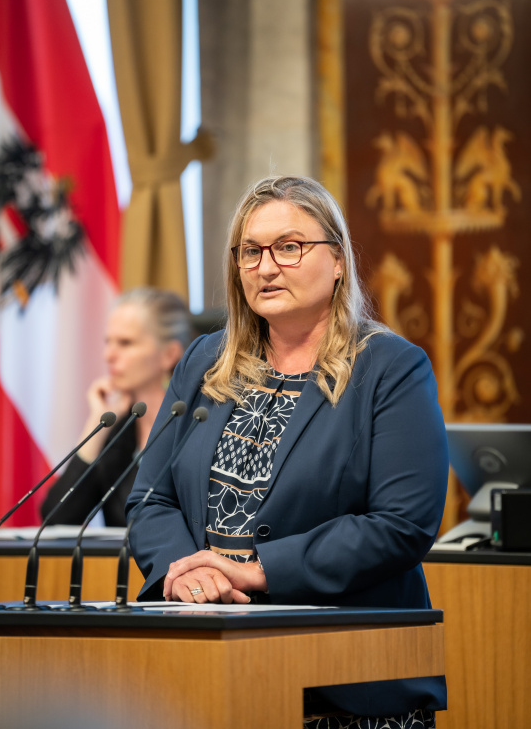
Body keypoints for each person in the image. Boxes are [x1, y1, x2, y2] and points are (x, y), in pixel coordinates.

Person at [127, 175, 448, 728]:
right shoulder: (207, 361)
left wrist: (256, 570)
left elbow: (402, 524)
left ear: (340, 259)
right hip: (210, 663)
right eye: (250, 251)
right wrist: (184, 575)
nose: (266, 267)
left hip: (345, 680)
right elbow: (149, 500)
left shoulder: (390, 368)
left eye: (290, 247)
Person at [40, 287, 192, 526]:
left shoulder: (196, 424)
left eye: (125, 343)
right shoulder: (118, 431)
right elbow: (56, 519)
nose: (109, 355)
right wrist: (96, 423)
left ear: (169, 354)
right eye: (108, 342)